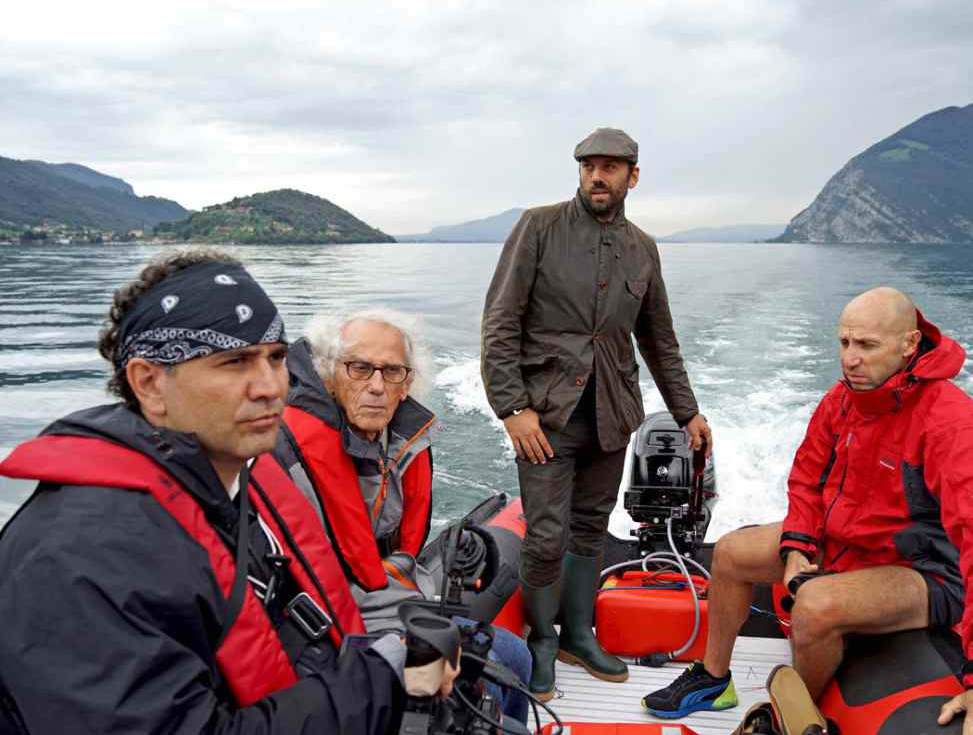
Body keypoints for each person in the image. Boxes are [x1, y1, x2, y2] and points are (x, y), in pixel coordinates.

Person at [0, 251, 436, 734]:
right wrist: (386, 677)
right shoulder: (81, 557)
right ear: (149, 383)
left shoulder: (223, 490)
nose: (271, 387)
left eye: (275, 358)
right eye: (234, 363)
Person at [643, 287, 973, 735]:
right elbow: (807, 479)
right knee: (732, 551)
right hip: (848, 542)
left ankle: (793, 717)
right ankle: (713, 679)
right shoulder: (843, 401)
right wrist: (798, 542)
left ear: (909, 345)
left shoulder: (955, 426)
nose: (850, 359)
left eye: (867, 346)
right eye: (844, 343)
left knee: (814, 605)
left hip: (924, 571)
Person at [481, 126, 713, 701]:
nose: (597, 177)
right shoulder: (538, 227)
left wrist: (687, 413)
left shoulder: (643, 248)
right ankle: (541, 639)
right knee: (545, 533)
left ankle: (578, 635)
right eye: (588, 167)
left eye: (610, 168)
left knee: (590, 527)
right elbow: (499, 324)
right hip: (545, 414)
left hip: (612, 412)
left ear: (632, 176)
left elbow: (659, 340)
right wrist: (513, 408)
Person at [272, 309, 532, 723]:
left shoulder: (399, 445)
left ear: (407, 383)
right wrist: (401, 641)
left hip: (392, 600)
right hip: (331, 628)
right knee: (490, 693)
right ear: (330, 373)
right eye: (360, 368)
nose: (376, 386)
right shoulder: (283, 458)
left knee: (518, 656)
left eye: (392, 372)